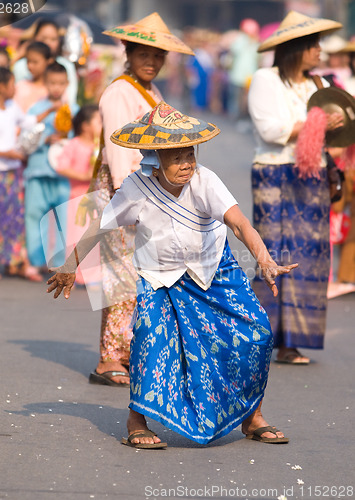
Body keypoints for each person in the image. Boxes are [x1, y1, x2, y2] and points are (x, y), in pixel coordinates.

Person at [47, 101, 297, 448]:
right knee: (151, 339)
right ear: (155, 159)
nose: (186, 164)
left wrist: (264, 257)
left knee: (256, 332)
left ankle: (252, 416)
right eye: (176, 157)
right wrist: (71, 265)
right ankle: (137, 420)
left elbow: (239, 223)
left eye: (190, 154)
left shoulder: (206, 181)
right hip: (159, 277)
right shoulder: (136, 188)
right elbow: (98, 227)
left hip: (213, 269)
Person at [85, 12, 194, 387]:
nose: (152, 60)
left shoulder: (151, 92)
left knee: (141, 274)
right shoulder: (119, 92)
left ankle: (129, 350)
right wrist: (127, 198)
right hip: (126, 191)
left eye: (158, 55)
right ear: (128, 51)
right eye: (144, 52)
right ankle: (110, 356)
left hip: (149, 191)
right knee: (121, 275)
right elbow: (118, 152)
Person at [247, 11, 343, 364]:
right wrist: (316, 123)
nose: (320, 51)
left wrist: (329, 126)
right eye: (313, 44)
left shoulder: (318, 85)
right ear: (296, 48)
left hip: (312, 175)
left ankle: (293, 342)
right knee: (273, 253)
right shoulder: (265, 79)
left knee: (310, 259)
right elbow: (271, 131)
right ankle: (263, 334)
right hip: (274, 176)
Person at [0, 67, 42, 281]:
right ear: (2, 87)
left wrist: (52, 110)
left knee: (14, 218)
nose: (15, 88)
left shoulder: (12, 108)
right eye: (12, 84)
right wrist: (7, 153)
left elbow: (29, 122)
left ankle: (16, 262)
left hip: (13, 172)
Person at [24, 62, 79, 276]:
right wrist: (45, 138)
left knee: (63, 218)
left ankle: (60, 262)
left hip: (63, 173)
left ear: (67, 84)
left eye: (60, 83)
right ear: (45, 84)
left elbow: (80, 139)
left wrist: (66, 138)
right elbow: (26, 137)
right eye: (52, 83)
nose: (56, 88)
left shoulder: (73, 110)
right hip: (38, 170)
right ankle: (35, 261)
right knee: (35, 215)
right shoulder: (36, 109)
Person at [55, 104, 101, 285]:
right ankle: (71, 274)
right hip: (78, 197)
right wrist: (82, 175)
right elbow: (61, 166)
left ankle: (93, 275)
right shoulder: (74, 144)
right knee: (76, 236)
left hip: (96, 197)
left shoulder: (100, 145)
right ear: (85, 125)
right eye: (98, 121)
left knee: (94, 236)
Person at [13, 19, 78, 107]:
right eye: (43, 38)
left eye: (53, 39)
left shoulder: (67, 66)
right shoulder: (20, 66)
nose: (48, 43)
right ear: (34, 38)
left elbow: (70, 101)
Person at [14, 41, 52, 112]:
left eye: (35, 62)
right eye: (28, 61)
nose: (30, 66)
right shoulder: (21, 86)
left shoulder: (54, 88)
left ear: (48, 62)